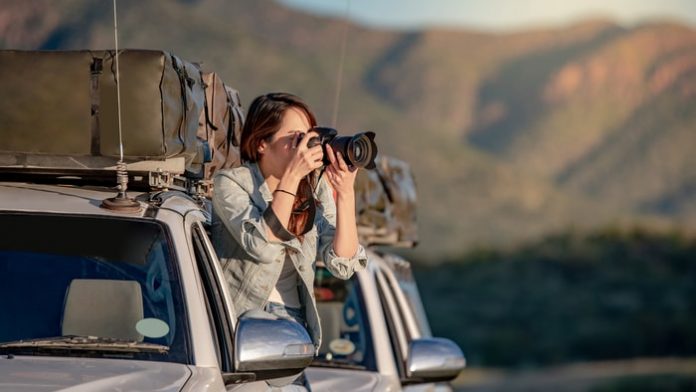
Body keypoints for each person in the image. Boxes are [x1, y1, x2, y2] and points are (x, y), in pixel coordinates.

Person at [210, 92, 367, 388]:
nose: (304, 149)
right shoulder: (231, 183)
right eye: (295, 139)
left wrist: (345, 194)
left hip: (293, 325)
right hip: (241, 324)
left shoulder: (314, 189)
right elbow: (263, 243)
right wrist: (292, 177)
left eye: (308, 139)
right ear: (261, 143)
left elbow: (343, 265)